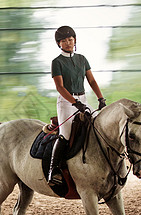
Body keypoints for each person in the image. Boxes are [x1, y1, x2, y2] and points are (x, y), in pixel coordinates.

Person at [48, 26, 107, 186]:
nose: (68, 43)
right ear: (59, 44)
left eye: (70, 39)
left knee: (97, 127)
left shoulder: (82, 59)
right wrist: (75, 103)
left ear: (75, 40)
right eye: (64, 41)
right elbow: (60, 87)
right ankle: (53, 171)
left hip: (83, 99)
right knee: (66, 134)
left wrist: (101, 98)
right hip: (66, 102)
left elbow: (92, 81)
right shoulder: (57, 62)